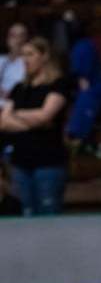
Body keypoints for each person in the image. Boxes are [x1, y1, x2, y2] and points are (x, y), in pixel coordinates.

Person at [0, 37, 72, 216]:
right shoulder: (19, 88)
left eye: (30, 54)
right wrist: (36, 121)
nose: (25, 59)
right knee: (26, 214)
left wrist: (16, 113)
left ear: (44, 56)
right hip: (21, 162)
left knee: (48, 214)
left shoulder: (58, 84)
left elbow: (46, 115)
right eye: (23, 55)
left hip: (48, 162)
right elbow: (3, 122)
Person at [0, 22, 28, 108]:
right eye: (13, 36)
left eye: (21, 36)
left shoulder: (28, 62)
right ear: (7, 39)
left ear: (27, 39)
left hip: (14, 106)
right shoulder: (1, 59)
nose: (18, 40)